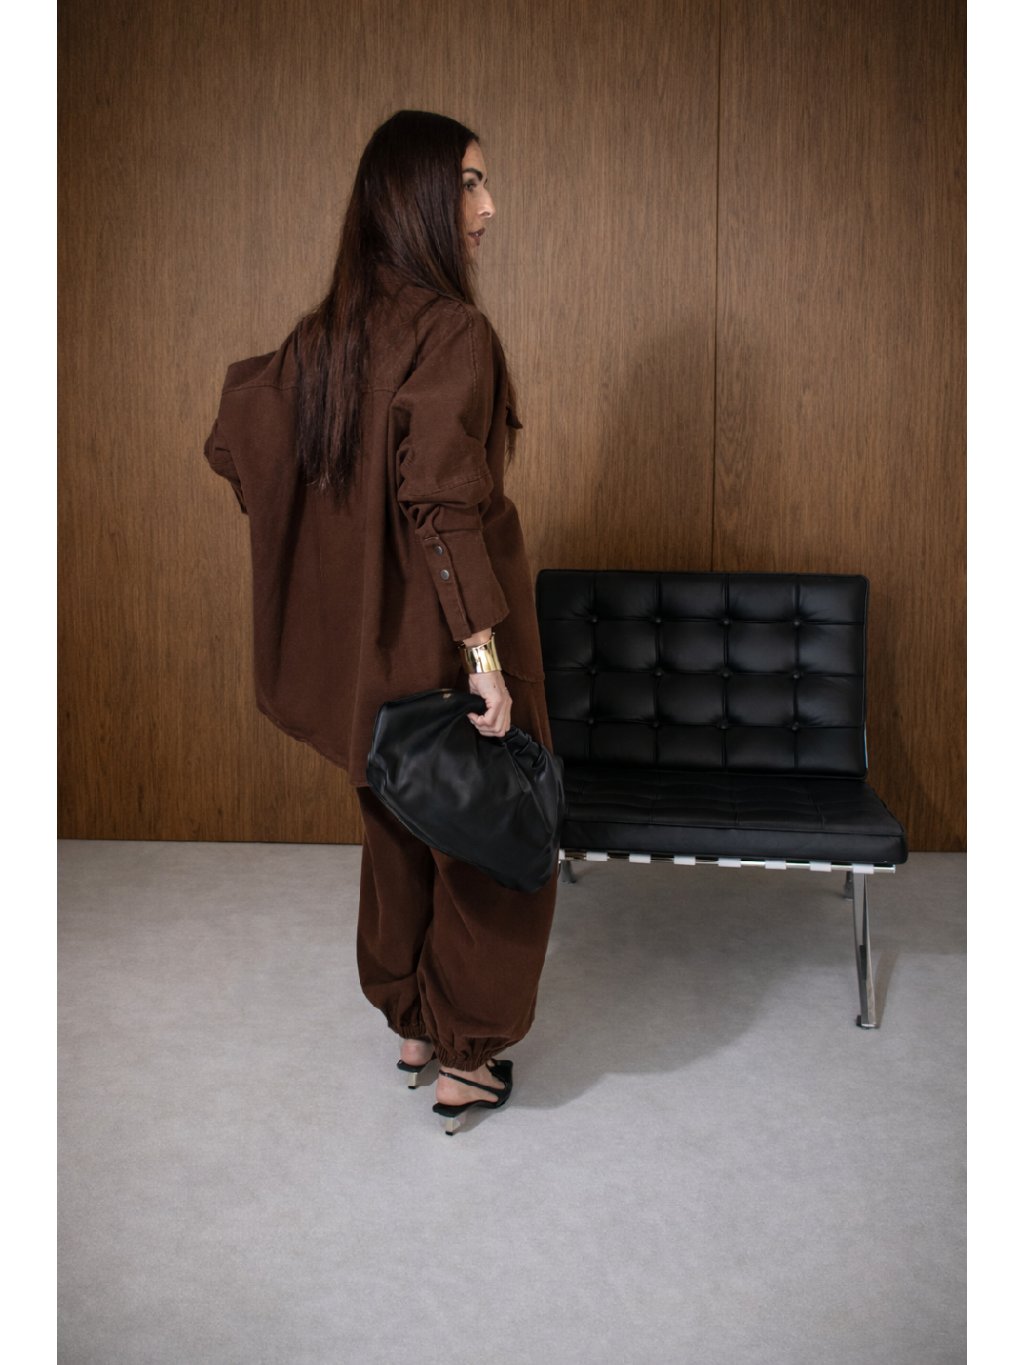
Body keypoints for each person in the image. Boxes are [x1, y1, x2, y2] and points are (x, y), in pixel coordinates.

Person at [204, 110, 558, 1131]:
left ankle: (412, 1025)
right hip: (445, 637)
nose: (488, 208)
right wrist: (483, 654)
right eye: (469, 184)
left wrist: (337, 537)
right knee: (490, 844)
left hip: (368, 658)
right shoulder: (454, 333)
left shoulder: (323, 339)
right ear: (416, 199)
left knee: (399, 827)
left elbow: (237, 442)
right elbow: (442, 502)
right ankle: (466, 1058)